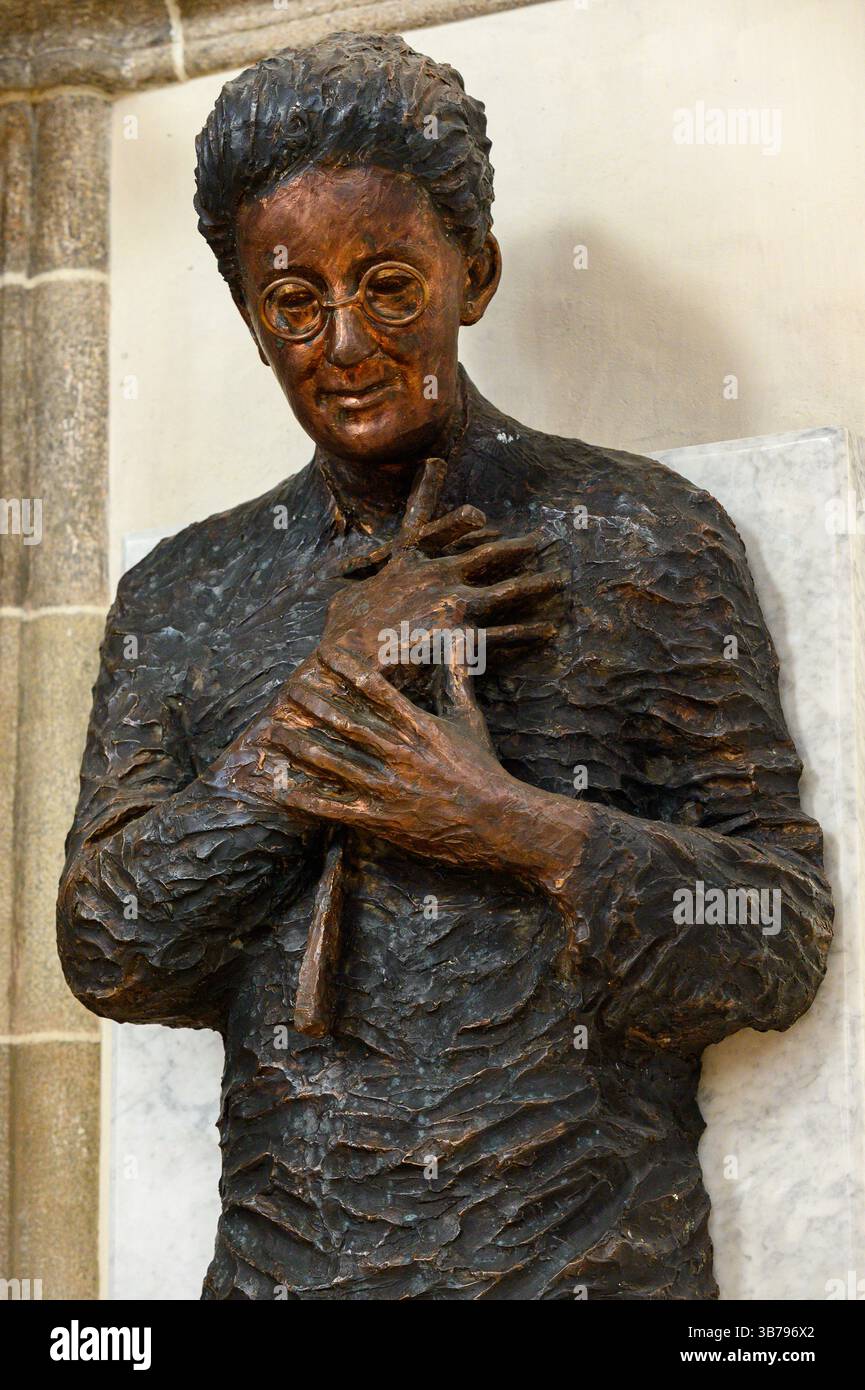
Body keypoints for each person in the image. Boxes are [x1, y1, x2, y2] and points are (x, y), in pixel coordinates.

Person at [57, 32, 832, 1300]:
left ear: (474, 273)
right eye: (294, 303)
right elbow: (105, 944)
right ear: (254, 326)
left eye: (388, 284)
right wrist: (322, 713)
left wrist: (518, 828)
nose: (345, 342)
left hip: (581, 1271)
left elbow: (775, 929)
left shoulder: (646, 536)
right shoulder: (184, 596)